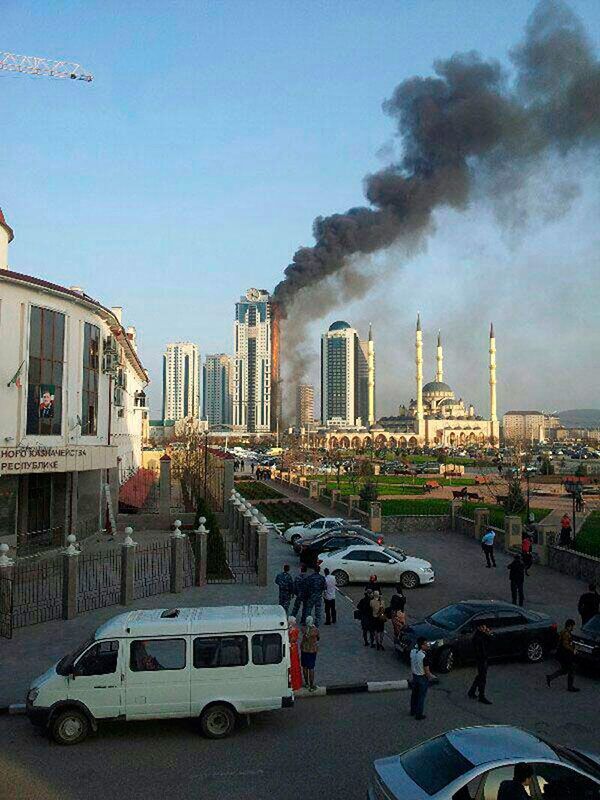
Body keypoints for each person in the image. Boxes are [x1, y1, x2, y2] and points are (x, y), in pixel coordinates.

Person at [546, 618, 579, 692]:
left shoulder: (563, 632)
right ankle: (570, 687)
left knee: (565, 670)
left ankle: (550, 677)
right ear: (569, 626)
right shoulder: (566, 634)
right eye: (573, 626)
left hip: (561, 654)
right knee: (572, 669)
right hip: (565, 655)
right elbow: (566, 645)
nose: (573, 628)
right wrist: (573, 650)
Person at [467, 622, 493, 704]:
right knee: (482, 677)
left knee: (480, 676)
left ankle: (472, 691)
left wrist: (488, 634)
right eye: (482, 627)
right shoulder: (478, 637)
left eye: (484, 626)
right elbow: (479, 650)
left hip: (484, 658)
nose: (484, 628)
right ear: (478, 628)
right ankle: (481, 695)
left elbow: (491, 641)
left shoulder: (482, 635)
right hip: (481, 659)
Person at [409, 638, 433, 720]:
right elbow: (427, 670)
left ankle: (412, 711)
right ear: (422, 645)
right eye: (426, 644)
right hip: (422, 677)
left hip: (414, 676)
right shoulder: (423, 656)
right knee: (421, 696)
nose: (427, 645)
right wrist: (430, 677)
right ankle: (419, 714)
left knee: (414, 695)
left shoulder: (412, 652)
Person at [300, 616, 320, 691]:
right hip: (312, 650)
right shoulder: (315, 630)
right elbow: (318, 638)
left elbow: (303, 632)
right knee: (311, 668)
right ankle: (311, 685)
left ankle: (306, 683)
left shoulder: (304, 629)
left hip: (304, 649)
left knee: (304, 667)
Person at [288, 617, 303, 691]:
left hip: (290, 647)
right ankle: (296, 683)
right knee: (295, 664)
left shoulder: (288, 630)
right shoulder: (295, 630)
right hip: (294, 648)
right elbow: (294, 639)